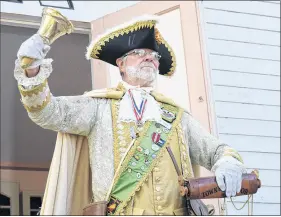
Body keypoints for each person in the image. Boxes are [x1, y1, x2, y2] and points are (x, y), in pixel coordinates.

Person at [14, 15, 246, 215]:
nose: (150, 58)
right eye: (139, 53)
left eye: (154, 56)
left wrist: (227, 162)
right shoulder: (98, 106)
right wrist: (31, 71)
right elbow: (48, 112)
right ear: (121, 64)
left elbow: (216, 150)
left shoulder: (176, 116)